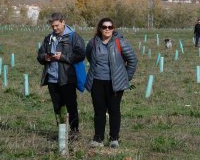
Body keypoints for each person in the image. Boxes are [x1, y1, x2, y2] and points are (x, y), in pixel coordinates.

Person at [86, 18, 137, 148]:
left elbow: (133, 60)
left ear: (113, 28)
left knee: (114, 110)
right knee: (99, 111)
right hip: (97, 82)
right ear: (100, 28)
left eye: (110, 27)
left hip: (115, 84)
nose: (107, 29)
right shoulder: (92, 43)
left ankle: (114, 139)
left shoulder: (120, 43)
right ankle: (98, 139)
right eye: (104, 27)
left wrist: (125, 78)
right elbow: (89, 57)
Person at [37, 12, 85, 140]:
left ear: (63, 22)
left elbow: (81, 55)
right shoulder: (48, 38)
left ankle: (74, 132)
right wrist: (45, 57)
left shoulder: (74, 37)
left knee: (71, 106)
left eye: (57, 25)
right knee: (57, 107)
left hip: (67, 78)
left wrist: (62, 57)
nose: (55, 28)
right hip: (52, 78)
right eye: (52, 26)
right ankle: (61, 133)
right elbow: (40, 55)